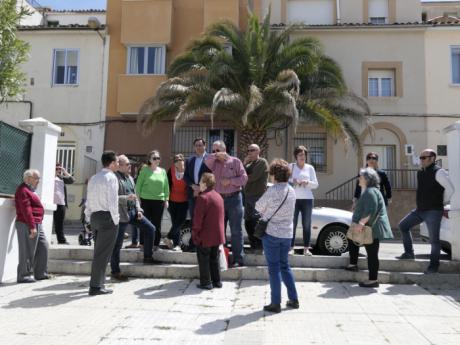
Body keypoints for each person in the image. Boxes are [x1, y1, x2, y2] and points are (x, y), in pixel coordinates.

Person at [397, 149, 454, 274]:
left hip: (434, 211)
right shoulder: (421, 172)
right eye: (420, 157)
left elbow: (450, 189)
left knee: (434, 241)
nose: (420, 160)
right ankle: (409, 253)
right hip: (420, 210)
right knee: (403, 226)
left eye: (423, 157)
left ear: (432, 158)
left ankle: (433, 267)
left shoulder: (439, 172)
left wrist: (441, 202)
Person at [256, 159, 298, 313]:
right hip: (287, 234)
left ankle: (275, 303)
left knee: (274, 269)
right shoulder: (291, 190)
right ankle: (294, 299)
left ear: (275, 175)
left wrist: (266, 212)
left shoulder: (272, 190)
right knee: (285, 266)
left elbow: (258, 206)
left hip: (272, 233)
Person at [110, 155, 157, 282]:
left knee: (150, 229)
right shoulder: (114, 178)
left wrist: (139, 209)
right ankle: (115, 271)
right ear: (119, 165)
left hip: (133, 212)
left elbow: (135, 195)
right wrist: (126, 198)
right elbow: (112, 197)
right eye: (127, 164)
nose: (130, 166)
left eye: (130, 164)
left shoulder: (130, 178)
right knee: (117, 244)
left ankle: (148, 256)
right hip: (121, 215)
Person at [345, 168, 393, 288]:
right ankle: (357, 267)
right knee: (368, 250)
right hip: (371, 227)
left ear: (366, 179)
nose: (358, 178)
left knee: (372, 253)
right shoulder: (372, 190)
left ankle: (373, 280)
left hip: (371, 228)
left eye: (360, 176)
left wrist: (361, 224)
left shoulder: (370, 192)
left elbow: (371, 210)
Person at [205, 140, 248, 267]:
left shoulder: (235, 161)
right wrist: (215, 155)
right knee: (219, 230)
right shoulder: (213, 163)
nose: (214, 153)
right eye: (213, 151)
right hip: (218, 199)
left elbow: (244, 178)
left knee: (236, 230)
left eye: (217, 150)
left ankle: (238, 259)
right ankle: (220, 259)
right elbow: (207, 161)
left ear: (224, 149)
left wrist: (230, 181)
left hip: (234, 198)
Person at [85, 151, 120, 295]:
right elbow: (113, 201)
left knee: (98, 253)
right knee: (103, 254)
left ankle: (99, 284)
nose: (118, 164)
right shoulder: (111, 177)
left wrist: (88, 218)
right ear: (111, 163)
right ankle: (96, 287)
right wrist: (116, 219)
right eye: (117, 162)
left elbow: (88, 199)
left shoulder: (94, 178)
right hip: (107, 218)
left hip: (95, 217)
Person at [14, 169, 49, 283]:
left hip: (37, 222)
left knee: (43, 246)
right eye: (36, 178)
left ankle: (40, 273)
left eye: (39, 178)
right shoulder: (23, 190)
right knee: (27, 250)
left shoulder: (30, 190)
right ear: (28, 178)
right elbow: (26, 209)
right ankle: (23, 275)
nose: (38, 181)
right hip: (27, 223)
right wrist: (32, 226)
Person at [192, 173, 225, 290]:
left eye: (201, 181)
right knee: (214, 258)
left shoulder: (203, 197)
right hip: (217, 235)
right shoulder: (218, 196)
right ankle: (217, 281)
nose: (199, 184)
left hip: (205, 235)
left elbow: (197, 220)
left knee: (204, 259)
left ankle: (206, 283)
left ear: (205, 183)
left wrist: (195, 234)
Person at [136, 150, 169, 250]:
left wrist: (166, 199)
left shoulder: (163, 171)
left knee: (157, 223)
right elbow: (138, 186)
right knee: (144, 222)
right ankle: (142, 244)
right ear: (149, 160)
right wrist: (138, 200)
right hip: (145, 200)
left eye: (158, 158)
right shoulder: (144, 171)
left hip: (159, 201)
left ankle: (155, 244)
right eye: (154, 158)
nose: (156, 160)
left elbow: (166, 186)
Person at [289, 145, 318, 256]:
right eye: (300, 155)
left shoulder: (310, 168)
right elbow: (285, 180)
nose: (303, 157)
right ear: (296, 156)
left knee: (306, 224)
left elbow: (316, 184)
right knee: (293, 224)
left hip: (307, 199)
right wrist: (294, 180)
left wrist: (307, 183)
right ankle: (291, 247)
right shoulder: (290, 166)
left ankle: (306, 248)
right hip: (293, 199)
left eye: (304, 155)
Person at [243, 144, 268, 252]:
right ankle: (253, 244)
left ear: (258, 151)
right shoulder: (248, 164)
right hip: (248, 196)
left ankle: (259, 246)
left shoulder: (262, 162)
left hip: (258, 197)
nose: (249, 152)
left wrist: (242, 177)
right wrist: (244, 164)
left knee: (256, 221)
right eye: (248, 150)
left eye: (252, 150)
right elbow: (241, 174)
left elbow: (252, 177)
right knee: (248, 222)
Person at [184, 138, 211, 222]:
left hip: (206, 193)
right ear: (194, 147)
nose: (198, 147)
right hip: (192, 194)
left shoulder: (210, 159)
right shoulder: (189, 160)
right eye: (196, 146)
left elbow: (212, 176)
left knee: (206, 218)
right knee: (194, 218)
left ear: (205, 146)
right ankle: (195, 235)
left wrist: (200, 188)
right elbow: (185, 176)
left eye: (200, 145)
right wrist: (193, 186)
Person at [165, 154, 188, 251]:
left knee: (180, 221)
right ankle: (177, 244)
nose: (178, 161)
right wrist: (166, 199)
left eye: (180, 159)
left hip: (184, 200)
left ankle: (168, 237)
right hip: (172, 201)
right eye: (176, 160)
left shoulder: (188, 170)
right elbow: (167, 185)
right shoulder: (171, 170)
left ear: (183, 160)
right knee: (175, 223)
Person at [53, 162, 75, 244]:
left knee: (60, 223)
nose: (58, 170)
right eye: (56, 168)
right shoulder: (48, 177)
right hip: (51, 203)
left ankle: (61, 240)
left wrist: (64, 171)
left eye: (59, 168)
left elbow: (72, 180)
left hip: (61, 204)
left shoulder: (61, 178)